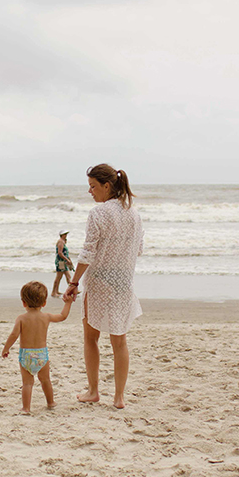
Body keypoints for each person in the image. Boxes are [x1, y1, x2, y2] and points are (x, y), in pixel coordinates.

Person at [63, 163, 144, 409]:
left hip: (99, 283)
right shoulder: (134, 214)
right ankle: (119, 398)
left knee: (91, 337)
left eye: (93, 186)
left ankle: (93, 390)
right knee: (120, 341)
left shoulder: (97, 214)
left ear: (106, 186)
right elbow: (138, 249)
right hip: (122, 282)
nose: (90, 191)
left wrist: (74, 282)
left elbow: (88, 252)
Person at [1, 281, 71, 414]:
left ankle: (26, 408)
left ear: (23, 303)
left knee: (27, 383)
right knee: (45, 380)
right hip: (41, 355)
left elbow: (14, 335)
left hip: (26, 355)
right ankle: (50, 402)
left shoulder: (21, 318)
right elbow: (63, 316)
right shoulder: (46, 317)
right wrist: (68, 303)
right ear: (44, 303)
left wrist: (6, 348)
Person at [51, 229, 74, 298]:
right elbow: (60, 253)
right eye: (65, 234)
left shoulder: (63, 241)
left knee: (68, 276)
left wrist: (69, 260)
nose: (66, 235)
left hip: (63, 262)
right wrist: (67, 260)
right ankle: (53, 292)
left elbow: (65, 253)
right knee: (59, 277)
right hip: (61, 262)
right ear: (62, 235)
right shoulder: (60, 242)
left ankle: (70, 290)